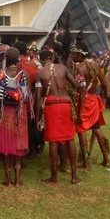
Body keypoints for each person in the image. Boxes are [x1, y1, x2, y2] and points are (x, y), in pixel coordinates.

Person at [35, 49, 80, 185]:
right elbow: (76, 84)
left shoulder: (40, 73)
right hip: (66, 105)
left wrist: (38, 118)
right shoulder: (63, 68)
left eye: (41, 61)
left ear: (44, 59)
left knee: (53, 142)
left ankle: (54, 178)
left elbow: (37, 97)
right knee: (70, 139)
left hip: (52, 107)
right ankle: (74, 176)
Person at [0, 47, 31, 187]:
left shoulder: (0, 75)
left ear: (5, 59)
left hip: (4, 114)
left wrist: (5, 95)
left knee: (5, 145)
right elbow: (25, 96)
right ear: (17, 59)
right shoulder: (22, 75)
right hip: (19, 114)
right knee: (18, 145)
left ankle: (8, 181)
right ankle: (18, 181)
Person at [71, 41, 110, 168]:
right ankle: (106, 159)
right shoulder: (96, 65)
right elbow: (104, 83)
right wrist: (106, 96)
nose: (72, 56)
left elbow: (81, 89)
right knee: (97, 130)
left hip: (83, 101)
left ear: (79, 54)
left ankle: (86, 162)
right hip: (94, 100)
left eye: (74, 54)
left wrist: (80, 111)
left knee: (81, 130)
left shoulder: (79, 68)